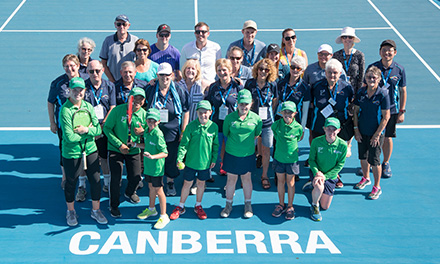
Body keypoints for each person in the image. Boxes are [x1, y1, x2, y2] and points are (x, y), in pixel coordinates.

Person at [59, 77, 107, 226]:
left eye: (80, 90)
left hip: (91, 150)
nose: (78, 92)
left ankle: (96, 210)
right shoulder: (65, 111)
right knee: (71, 183)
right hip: (72, 153)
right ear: (69, 91)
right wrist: (89, 133)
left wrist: (85, 129)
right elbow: (69, 136)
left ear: (85, 91)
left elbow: (98, 129)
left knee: (96, 181)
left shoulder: (88, 106)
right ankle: (71, 212)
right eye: (75, 90)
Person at [307, 59, 353, 189]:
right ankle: (317, 174)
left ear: (340, 74)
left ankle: (335, 175)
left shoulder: (347, 87)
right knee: (320, 151)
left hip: (339, 127)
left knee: (336, 152)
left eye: (335, 73)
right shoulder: (316, 86)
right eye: (329, 72)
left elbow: (351, 105)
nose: (332, 75)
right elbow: (311, 104)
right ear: (325, 73)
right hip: (320, 124)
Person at [145, 62, 189, 196]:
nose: (165, 78)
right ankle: (157, 181)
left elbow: (185, 111)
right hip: (155, 130)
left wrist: (183, 131)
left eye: (167, 75)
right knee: (155, 155)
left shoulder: (180, 90)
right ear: (157, 75)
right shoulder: (151, 89)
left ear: (172, 75)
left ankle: (170, 182)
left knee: (170, 156)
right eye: (162, 75)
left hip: (173, 130)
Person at [170, 101, 219, 220]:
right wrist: (180, 158)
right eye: (200, 113)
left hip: (205, 164)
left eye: (205, 112)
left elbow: (215, 145)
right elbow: (183, 145)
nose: (203, 115)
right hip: (190, 163)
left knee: (201, 184)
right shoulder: (191, 126)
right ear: (197, 113)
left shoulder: (214, 127)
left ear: (210, 112)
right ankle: (181, 206)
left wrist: (213, 158)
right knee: (187, 184)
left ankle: (198, 205)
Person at [103, 87, 147, 218]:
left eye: (140, 98)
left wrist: (143, 132)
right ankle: (114, 205)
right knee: (115, 179)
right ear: (129, 99)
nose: (137, 101)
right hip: (116, 149)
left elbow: (151, 132)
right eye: (134, 98)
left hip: (133, 149)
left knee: (136, 177)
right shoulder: (117, 111)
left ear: (144, 100)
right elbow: (107, 128)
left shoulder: (144, 115)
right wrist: (119, 144)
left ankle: (129, 192)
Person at [366, 39, 407, 178]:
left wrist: (402, 111)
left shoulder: (400, 70)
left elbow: (403, 91)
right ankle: (371, 162)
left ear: (394, 53)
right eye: (384, 50)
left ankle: (385, 162)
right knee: (371, 136)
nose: (387, 53)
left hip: (392, 110)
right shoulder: (373, 67)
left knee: (388, 137)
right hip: (374, 110)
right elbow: (365, 87)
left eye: (390, 50)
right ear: (380, 52)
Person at [48, 54, 88, 189]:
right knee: (64, 149)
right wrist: (52, 122)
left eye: (72, 65)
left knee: (84, 149)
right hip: (64, 125)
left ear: (78, 66)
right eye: (66, 66)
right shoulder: (58, 83)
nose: (69, 68)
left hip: (83, 124)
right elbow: (50, 102)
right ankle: (65, 176)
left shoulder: (86, 80)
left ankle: (82, 178)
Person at [221, 89, 262, 218]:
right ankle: (228, 205)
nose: (243, 106)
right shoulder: (229, 118)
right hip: (232, 154)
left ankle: (248, 205)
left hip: (248, 155)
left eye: (246, 104)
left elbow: (257, 134)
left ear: (251, 104)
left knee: (246, 179)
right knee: (231, 179)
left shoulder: (256, 119)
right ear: (237, 103)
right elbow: (226, 133)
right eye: (241, 103)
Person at [353, 66, 390, 200]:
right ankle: (365, 178)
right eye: (369, 77)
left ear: (379, 79)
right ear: (365, 79)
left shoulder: (383, 94)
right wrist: (356, 130)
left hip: (376, 134)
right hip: (362, 131)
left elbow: (386, 117)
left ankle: (377, 186)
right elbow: (356, 112)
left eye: (374, 77)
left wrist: (377, 134)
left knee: (374, 161)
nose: (371, 80)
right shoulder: (361, 92)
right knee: (362, 157)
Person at [81, 60, 116, 195]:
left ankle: (106, 183)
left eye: (97, 71)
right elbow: (82, 109)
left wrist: (102, 127)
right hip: (88, 128)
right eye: (91, 71)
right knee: (84, 157)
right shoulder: (83, 87)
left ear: (102, 71)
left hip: (104, 128)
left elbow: (112, 107)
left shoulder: (110, 86)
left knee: (104, 157)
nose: (94, 74)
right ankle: (82, 186)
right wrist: (92, 128)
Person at [244, 58, 277, 189]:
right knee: (249, 149)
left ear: (270, 72)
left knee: (266, 149)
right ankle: (246, 175)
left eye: (266, 70)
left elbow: (274, 101)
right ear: (256, 70)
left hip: (267, 123)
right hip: (251, 122)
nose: (263, 71)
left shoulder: (272, 84)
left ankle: (264, 175)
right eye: (261, 69)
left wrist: (268, 114)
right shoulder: (250, 84)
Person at [333, 27, 365, 159]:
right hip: (340, 92)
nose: (347, 40)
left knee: (352, 118)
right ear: (341, 40)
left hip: (354, 93)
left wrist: (357, 95)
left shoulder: (359, 55)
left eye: (350, 37)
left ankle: (348, 144)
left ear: (353, 40)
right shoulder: (336, 55)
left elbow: (362, 76)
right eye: (345, 37)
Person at [206, 59, 242, 176]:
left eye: (224, 70)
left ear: (230, 71)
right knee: (219, 146)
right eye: (219, 70)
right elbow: (207, 105)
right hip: (217, 123)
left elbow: (244, 104)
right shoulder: (213, 87)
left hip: (233, 124)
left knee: (232, 148)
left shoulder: (237, 86)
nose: (222, 73)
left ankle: (233, 169)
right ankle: (222, 164)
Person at [136, 108, 170, 229]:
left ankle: (163, 215)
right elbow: (147, 145)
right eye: (149, 120)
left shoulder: (158, 134)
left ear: (159, 121)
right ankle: (151, 209)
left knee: (159, 191)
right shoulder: (147, 131)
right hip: (148, 167)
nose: (151, 122)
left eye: (154, 121)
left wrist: (152, 156)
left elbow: (165, 153)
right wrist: (135, 145)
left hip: (156, 168)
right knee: (150, 187)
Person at [309, 118, 347, 222]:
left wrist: (325, 176)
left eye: (334, 129)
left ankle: (313, 188)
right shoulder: (316, 142)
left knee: (325, 206)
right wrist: (317, 173)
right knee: (319, 186)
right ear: (324, 129)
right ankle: (314, 206)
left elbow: (339, 166)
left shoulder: (343, 145)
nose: (331, 131)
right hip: (317, 173)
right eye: (328, 128)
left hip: (330, 176)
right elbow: (311, 160)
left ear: (338, 130)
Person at [271, 101, 303, 220]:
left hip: (292, 160)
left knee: (290, 183)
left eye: (290, 112)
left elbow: (298, 138)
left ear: (295, 113)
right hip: (279, 158)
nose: (287, 115)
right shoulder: (276, 125)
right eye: (285, 112)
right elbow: (275, 134)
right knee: (280, 182)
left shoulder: (298, 128)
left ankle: (290, 206)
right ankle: (280, 204)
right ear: (281, 113)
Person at [99, 14, 138, 82]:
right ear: (115, 25)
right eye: (119, 24)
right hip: (114, 82)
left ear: (128, 25)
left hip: (131, 83)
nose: (121, 26)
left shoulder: (135, 40)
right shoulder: (108, 40)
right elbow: (103, 63)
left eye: (124, 24)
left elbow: (139, 62)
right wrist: (112, 81)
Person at [275, 55, 310, 127]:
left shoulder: (305, 87)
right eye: (293, 67)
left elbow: (305, 111)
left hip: (295, 123)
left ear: (302, 70)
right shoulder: (281, 83)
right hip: (279, 120)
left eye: (298, 68)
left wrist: (302, 127)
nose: (295, 70)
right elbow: (275, 103)